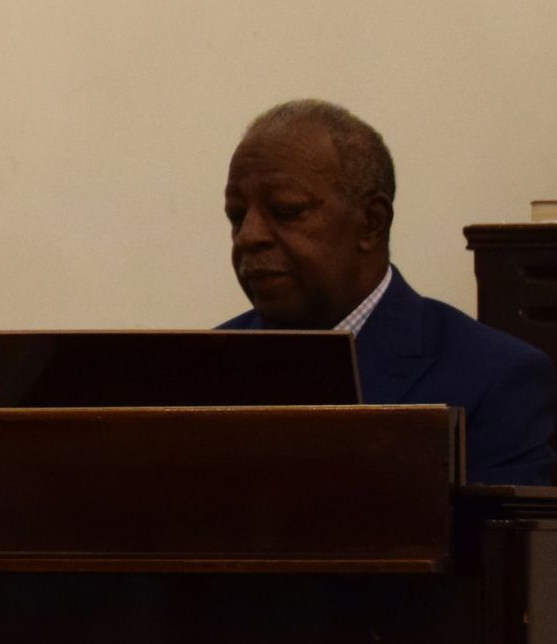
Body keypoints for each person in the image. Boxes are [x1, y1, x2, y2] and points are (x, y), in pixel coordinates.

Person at [218, 99, 554, 485]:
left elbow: (497, 546)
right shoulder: (200, 371)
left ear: (371, 224)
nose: (249, 236)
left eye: (286, 210)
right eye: (237, 215)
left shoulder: (494, 378)